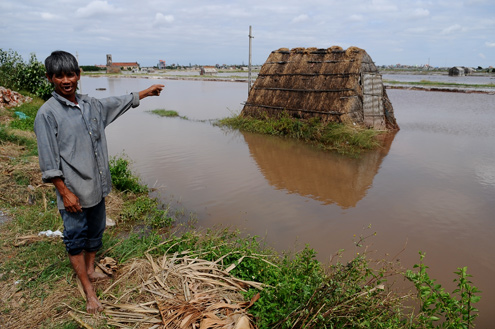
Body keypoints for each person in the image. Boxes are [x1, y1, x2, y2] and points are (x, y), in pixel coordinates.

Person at [34, 50, 164, 314]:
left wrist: (146, 92)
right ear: (50, 78)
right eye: (59, 76)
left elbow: (117, 101)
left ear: (78, 75)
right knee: (75, 238)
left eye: (70, 74)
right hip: (73, 192)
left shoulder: (91, 105)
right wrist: (65, 193)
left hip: (97, 187)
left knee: (96, 232)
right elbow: (49, 162)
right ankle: (88, 290)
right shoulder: (47, 115)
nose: (66, 80)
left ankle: (91, 269)